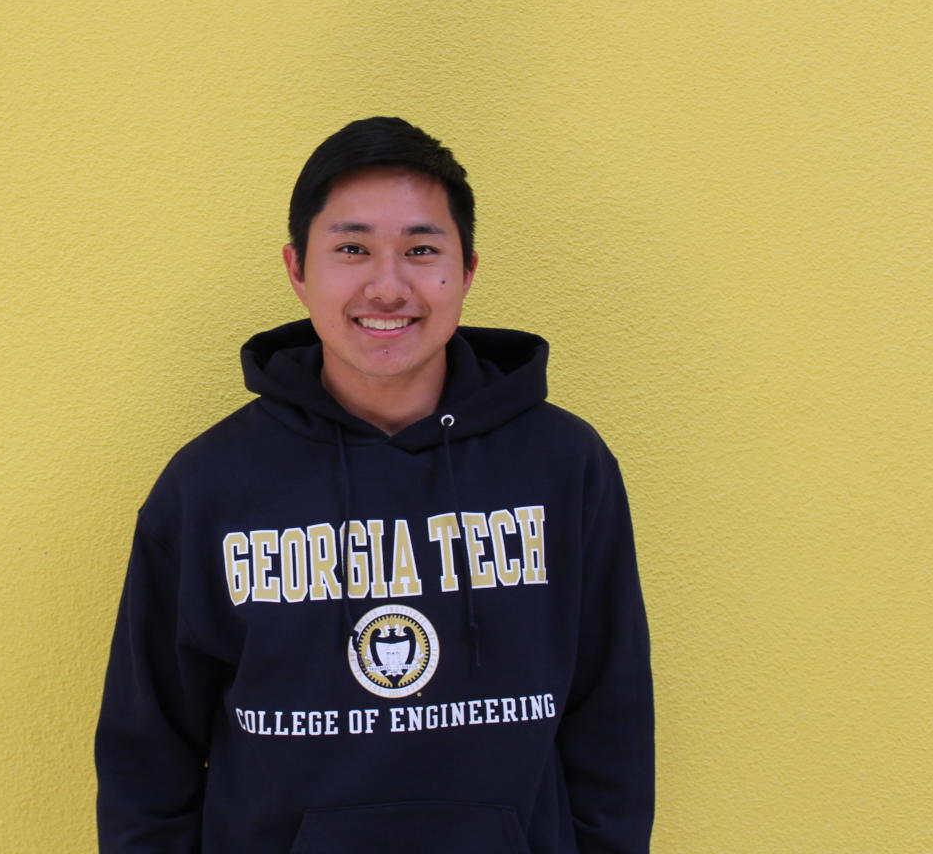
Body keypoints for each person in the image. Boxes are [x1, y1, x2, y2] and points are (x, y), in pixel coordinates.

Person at [95, 116, 653, 853]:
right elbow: (147, 755)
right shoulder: (208, 486)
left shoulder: (565, 466)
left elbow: (610, 725)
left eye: (422, 250)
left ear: (469, 269)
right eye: (352, 249)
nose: (388, 288)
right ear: (298, 270)